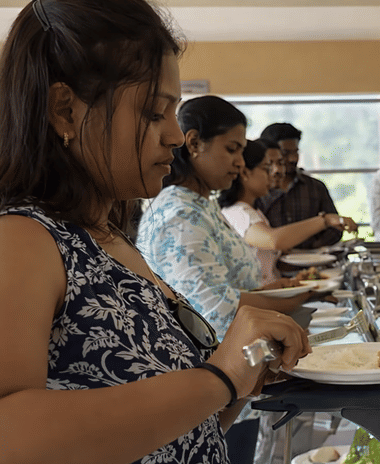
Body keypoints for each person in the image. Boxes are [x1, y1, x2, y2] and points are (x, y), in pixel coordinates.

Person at [0, 2, 310, 464]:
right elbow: (11, 433)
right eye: (151, 113)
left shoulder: (108, 239)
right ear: (64, 111)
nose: (172, 135)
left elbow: (172, 433)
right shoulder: (23, 238)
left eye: (175, 112)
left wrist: (238, 384)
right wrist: (219, 377)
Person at [137, 96, 312, 341]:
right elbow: (214, 311)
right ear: (195, 143)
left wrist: (270, 292)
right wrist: (296, 300)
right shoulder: (181, 215)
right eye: (232, 149)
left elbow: (220, 289)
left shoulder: (199, 205)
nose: (240, 163)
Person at [218, 139, 354, 283]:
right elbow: (274, 240)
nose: (272, 175)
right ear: (245, 173)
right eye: (266, 169)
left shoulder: (252, 211)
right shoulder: (237, 213)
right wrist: (324, 220)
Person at [255, 123, 357, 249]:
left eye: (296, 152)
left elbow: (335, 228)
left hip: (313, 263)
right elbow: (266, 238)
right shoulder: (256, 192)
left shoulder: (315, 187)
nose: (293, 159)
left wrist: (312, 249)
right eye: (285, 153)